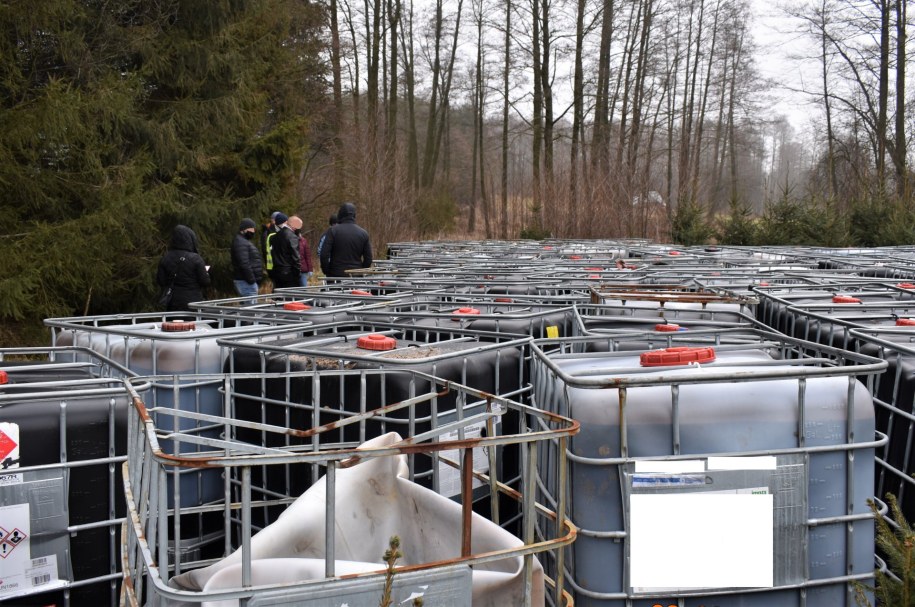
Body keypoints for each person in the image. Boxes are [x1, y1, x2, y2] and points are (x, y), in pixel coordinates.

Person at [156, 225, 210, 312]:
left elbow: (161, 281)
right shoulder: (196, 258)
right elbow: (205, 281)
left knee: (174, 324)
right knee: (192, 325)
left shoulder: (166, 257)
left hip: (172, 302)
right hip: (193, 302)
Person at [319, 202, 372, 278]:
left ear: (340, 214)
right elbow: (368, 259)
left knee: (334, 290)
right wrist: (360, 271)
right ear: (354, 215)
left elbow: (324, 254)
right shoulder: (363, 233)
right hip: (355, 277)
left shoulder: (333, 231)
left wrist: (327, 271)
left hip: (336, 275)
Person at [231, 218, 264, 303]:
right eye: (251, 229)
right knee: (251, 311)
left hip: (246, 281)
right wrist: (251, 280)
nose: (253, 231)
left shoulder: (243, 241)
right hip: (246, 282)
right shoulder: (240, 242)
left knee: (248, 308)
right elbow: (244, 263)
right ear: (244, 229)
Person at [269, 212, 301, 288]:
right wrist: (297, 273)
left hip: (277, 271)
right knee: (291, 297)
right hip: (289, 273)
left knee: (281, 297)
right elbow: (296, 257)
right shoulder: (292, 236)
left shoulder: (274, 237)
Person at [286, 216, 314, 286]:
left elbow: (307, 255)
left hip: (302, 270)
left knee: (304, 289)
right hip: (292, 270)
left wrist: (310, 269)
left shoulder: (303, 240)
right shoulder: (288, 238)